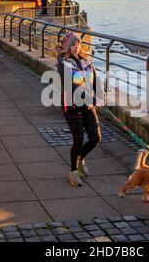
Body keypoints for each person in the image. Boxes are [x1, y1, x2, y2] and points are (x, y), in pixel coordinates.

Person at [57, 33, 103, 187]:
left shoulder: (86, 60)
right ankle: (73, 172)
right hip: (72, 106)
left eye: (79, 44)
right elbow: (73, 86)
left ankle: (80, 158)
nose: (77, 47)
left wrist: (100, 95)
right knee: (79, 139)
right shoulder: (64, 63)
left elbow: (96, 78)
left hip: (87, 105)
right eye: (73, 44)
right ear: (68, 47)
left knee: (96, 137)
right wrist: (91, 98)